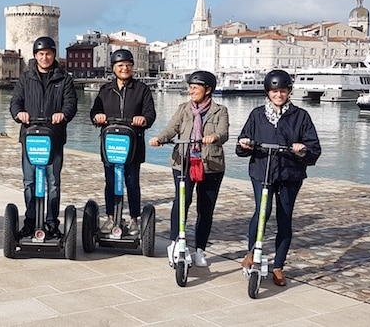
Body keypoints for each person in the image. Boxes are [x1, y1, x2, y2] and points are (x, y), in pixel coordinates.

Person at [236, 69, 321, 287]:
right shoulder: (257, 115)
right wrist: (245, 144)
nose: (279, 95)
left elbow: (314, 148)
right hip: (262, 171)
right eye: (274, 91)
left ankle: (278, 266)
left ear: (289, 92)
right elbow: (242, 144)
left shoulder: (301, 116)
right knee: (261, 212)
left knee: (285, 217)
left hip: (290, 173)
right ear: (268, 93)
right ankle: (252, 252)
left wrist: (302, 149)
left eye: (283, 91)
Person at [148, 70, 229, 267]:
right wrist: (160, 138)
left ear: (207, 89)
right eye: (190, 87)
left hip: (211, 165)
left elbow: (224, 132)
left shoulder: (220, 110)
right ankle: (176, 242)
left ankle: (200, 249)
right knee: (182, 201)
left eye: (195, 87)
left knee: (205, 208)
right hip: (183, 162)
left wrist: (215, 137)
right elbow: (172, 128)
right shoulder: (183, 108)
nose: (191, 90)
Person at [9, 36, 77, 238]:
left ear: (54, 55)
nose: (45, 57)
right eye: (41, 54)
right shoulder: (25, 78)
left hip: (53, 137)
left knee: (53, 182)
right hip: (30, 138)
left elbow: (71, 104)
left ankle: (51, 222)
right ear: (35, 56)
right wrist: (18, 113)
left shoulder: (64, 79)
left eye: (48, 53)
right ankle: (30, 222)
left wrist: (63, 114)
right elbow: (15, 102)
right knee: (29, 181)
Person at [89, 49, 156, 235]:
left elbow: (150, 113)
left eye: (128, 65)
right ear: (114, 68)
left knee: (132, 182)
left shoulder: (141, 89)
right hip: (110, 145)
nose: (124, 68)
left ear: (132, 67)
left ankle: (134, 218)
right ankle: (111, 217)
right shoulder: (105, 90)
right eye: (120, 65)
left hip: (133, 145)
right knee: (110, 182)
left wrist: (143, 120)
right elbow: (94, 113)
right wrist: (98, 117)